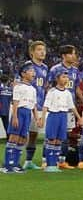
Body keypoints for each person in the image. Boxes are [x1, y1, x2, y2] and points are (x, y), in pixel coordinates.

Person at [47, 44, 82, 169]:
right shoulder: (55, 69)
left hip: (69, 106)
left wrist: (82, 99)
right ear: (64, 55)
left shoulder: (76, 71)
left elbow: (77, 87)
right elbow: (49, 86)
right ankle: (46, 159)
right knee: (52, 135)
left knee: (65, 135)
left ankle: (62, 160)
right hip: (56, 107)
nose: (74, 56)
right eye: (71, 53)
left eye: (74, 53)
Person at [4, 63, 39, 173]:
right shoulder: (18, 87)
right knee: (14, 137)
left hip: (27, 113)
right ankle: (7, 164)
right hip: (19, 112)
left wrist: (37, 118)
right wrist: (14, 117)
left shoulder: (33, 89)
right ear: (23, 74)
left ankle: (16, 163)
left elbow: (34, 105)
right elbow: (15, 102)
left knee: (23, 139)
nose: (34, 73)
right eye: (31, 71)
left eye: (34, 71)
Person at [42, 69, 76, 172]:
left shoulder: (68, 93)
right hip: (54, 115)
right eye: (63, 77)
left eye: (67, 77)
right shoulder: (52, 91)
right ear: (57, 79)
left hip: (63, 116)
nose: (66, 79)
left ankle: (54, 164)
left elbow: (72, 107)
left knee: (59, 141)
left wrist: (79, 118)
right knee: (52, 140)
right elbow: (46, 106)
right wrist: (42, 118)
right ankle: (49, 164)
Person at [24, 40, 49, 170]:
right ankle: (15, 160)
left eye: (43, 50)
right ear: (32, 52)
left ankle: (30, 161)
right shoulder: (27, 66)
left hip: (40, 106)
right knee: (23, 134)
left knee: (35, 134)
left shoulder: (45, 68)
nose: (42, 52)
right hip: (28, 105)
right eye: (39, 49)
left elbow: (45, 86)